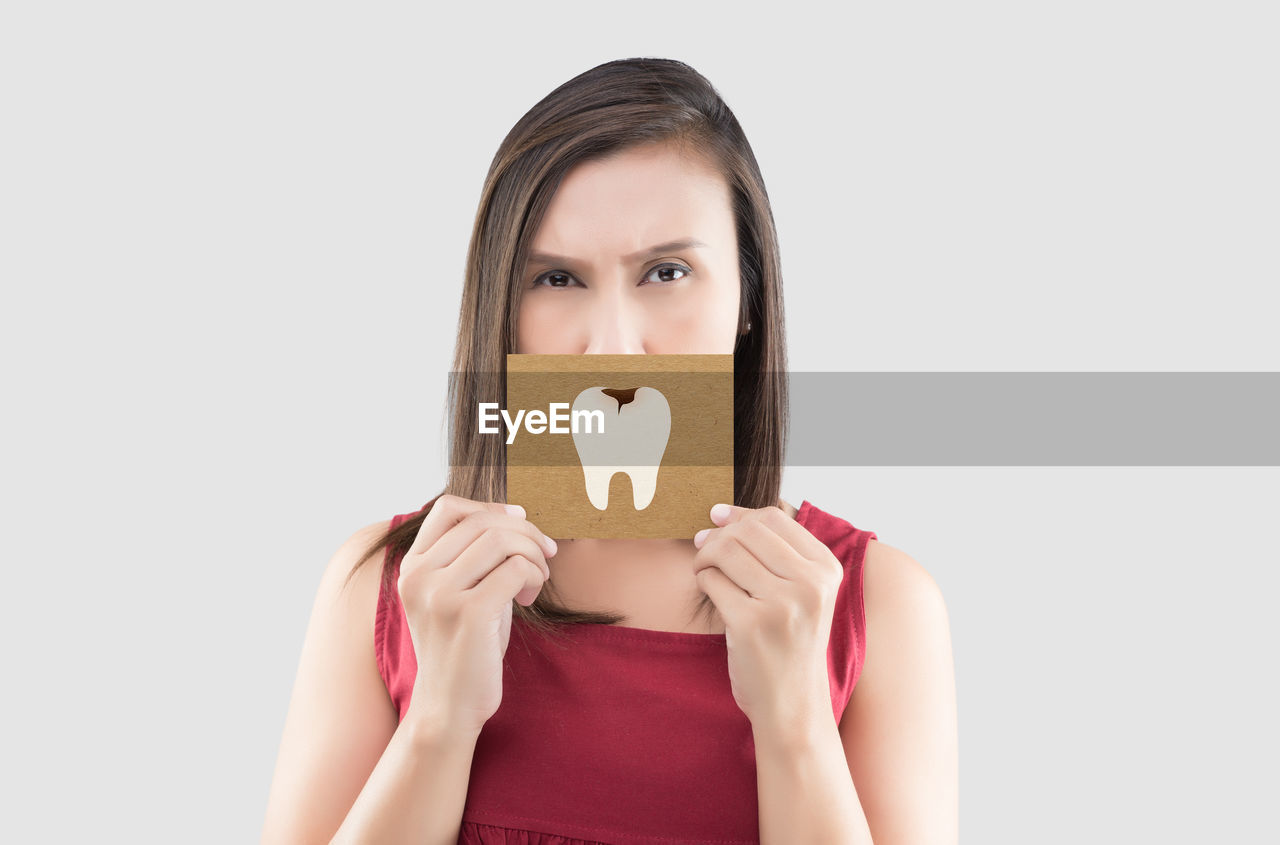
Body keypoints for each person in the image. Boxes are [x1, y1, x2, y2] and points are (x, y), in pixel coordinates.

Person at [261, 58, 958, 845]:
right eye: (557, 279)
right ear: (504, 311)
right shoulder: (388, 587)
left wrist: (795, 724)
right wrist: (438, 723)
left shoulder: (876, 605)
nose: (614, 343)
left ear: (748, 298)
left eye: (667, 271)